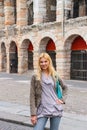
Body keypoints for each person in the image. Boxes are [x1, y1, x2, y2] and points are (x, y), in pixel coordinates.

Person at [30, 52, 68, 130]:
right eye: (41, 62)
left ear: (49, 62)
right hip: (42, 110)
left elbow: (65, 87)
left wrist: (62, 99)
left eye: (45, 61)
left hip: (56, 108)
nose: (43, 64)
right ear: (39, 63)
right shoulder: (35, 76)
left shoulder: (55, 75)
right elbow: (32, 95)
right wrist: (33, 114)